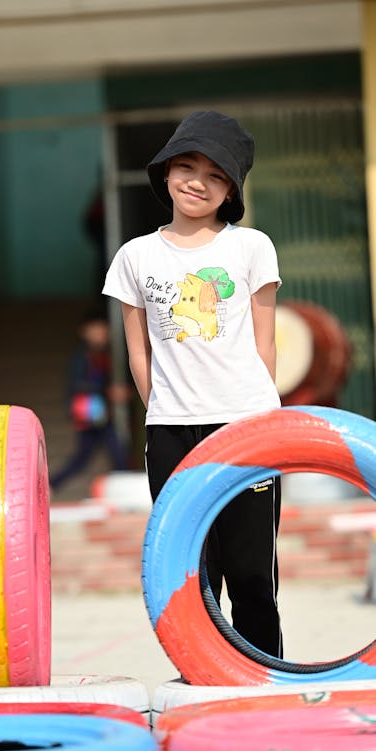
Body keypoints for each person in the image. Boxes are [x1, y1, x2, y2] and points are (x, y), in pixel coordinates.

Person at [102, 110, 283, 658]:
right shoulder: (136, 256)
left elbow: (266, 341)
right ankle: (202, 674)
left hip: (246, 424)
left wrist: (260, 419)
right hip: (173, 432)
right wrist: (161, 410)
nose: (197, 182)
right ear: (164, 174)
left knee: (252, 570)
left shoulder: (251, 247)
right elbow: (138, 350)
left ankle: (262, 674)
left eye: (215, 174)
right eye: (186, 166)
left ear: (231, 190)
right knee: (192, 571)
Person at [50, 310, 129, 493]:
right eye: (96, 330)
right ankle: (52, 484)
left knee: (107, 455)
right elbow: (77, 384)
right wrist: (108, 392)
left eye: (103, 330)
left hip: (100, 414)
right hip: (90, 415)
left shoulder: (105, 355)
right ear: (85, 332)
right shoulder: (82, 357)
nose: (100, 334)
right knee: (97, 456)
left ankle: (53, 484)